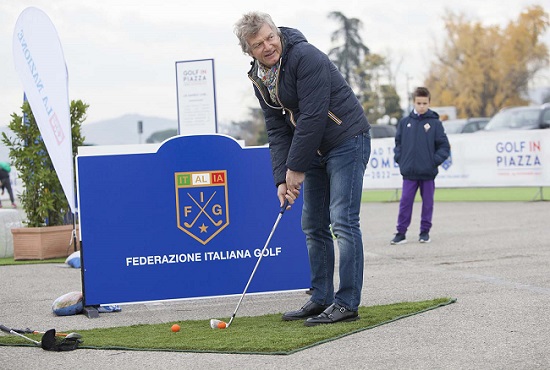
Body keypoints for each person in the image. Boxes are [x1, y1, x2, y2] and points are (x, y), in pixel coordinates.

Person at [234, 12, 371, 326]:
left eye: (271, 37)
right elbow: (277, 128)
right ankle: (321, 297)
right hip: (315, 148)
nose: (268, 46)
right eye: (258, 44)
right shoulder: (259, 77)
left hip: (346, 139)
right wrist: (282, 177)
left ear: (277, 32)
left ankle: (347, 303)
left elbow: (312, 116)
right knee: (313, 224)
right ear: (249, 51)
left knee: (343, 220)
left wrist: (296, 168)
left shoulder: (306, 56)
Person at [390, 87, 450, 245]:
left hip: (428, 173)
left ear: (429, 103)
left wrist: (433, 161)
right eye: (419, 103)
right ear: (413, 103)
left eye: (425, 103)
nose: (421, 106)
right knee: (405, 203)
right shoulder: (405, 123)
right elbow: (398, 144)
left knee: (428, 204)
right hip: (409, 172)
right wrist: (400, 159)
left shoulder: (435, 123)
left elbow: (444, 147)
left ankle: (424, 232)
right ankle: (401, 233)